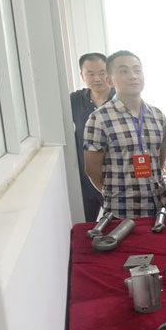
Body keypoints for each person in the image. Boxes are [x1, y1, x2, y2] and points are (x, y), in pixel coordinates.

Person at [84, 50, 166, 218]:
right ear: (109, 80)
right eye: (124, 71)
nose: (133, 76)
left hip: (160, 207)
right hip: (122, 211)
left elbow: (160, 158)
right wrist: (114, 193)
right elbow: (92, 169)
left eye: (137, 70)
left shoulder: (158, 115)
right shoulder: (99, 118)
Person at [70, 52, 114, 221]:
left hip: (116, 180)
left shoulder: (121, 99)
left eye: (102, 73)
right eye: (90, 74)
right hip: (85, 181)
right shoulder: (75, 100)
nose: (97, 79)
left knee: (119, 227)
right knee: (83, 227)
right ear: (82, 75)